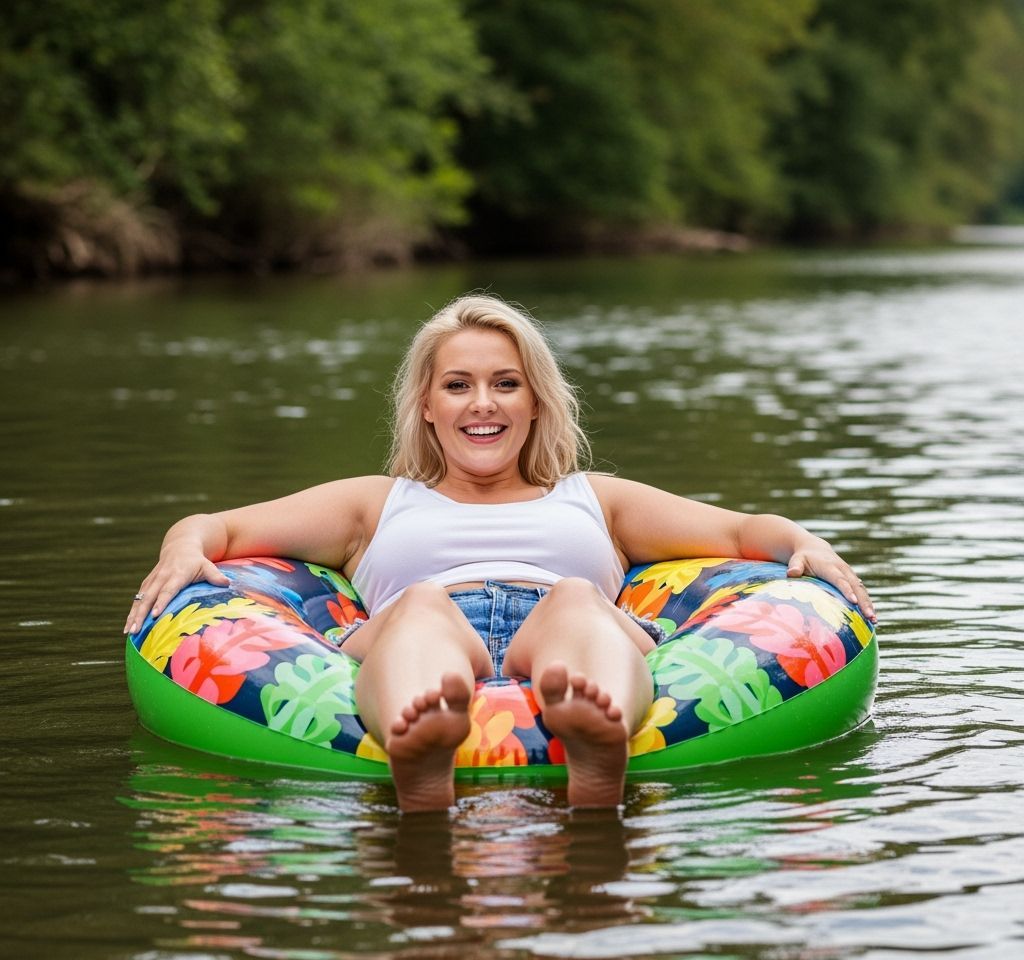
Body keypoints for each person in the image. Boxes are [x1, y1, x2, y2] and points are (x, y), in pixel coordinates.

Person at [125, 294, 875, 812]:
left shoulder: (595, 499)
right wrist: (182, 549)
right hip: (420, 630)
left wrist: (803, 542)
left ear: (536, 400)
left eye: (504, 384)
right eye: (458, 385)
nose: (482, 403)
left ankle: (596, 733)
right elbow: (212, 528)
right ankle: (420, 738)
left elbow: (745, 533)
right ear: (426, 403)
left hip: (559, 626)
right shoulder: (375, 502)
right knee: (421, 603)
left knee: (576, 597)